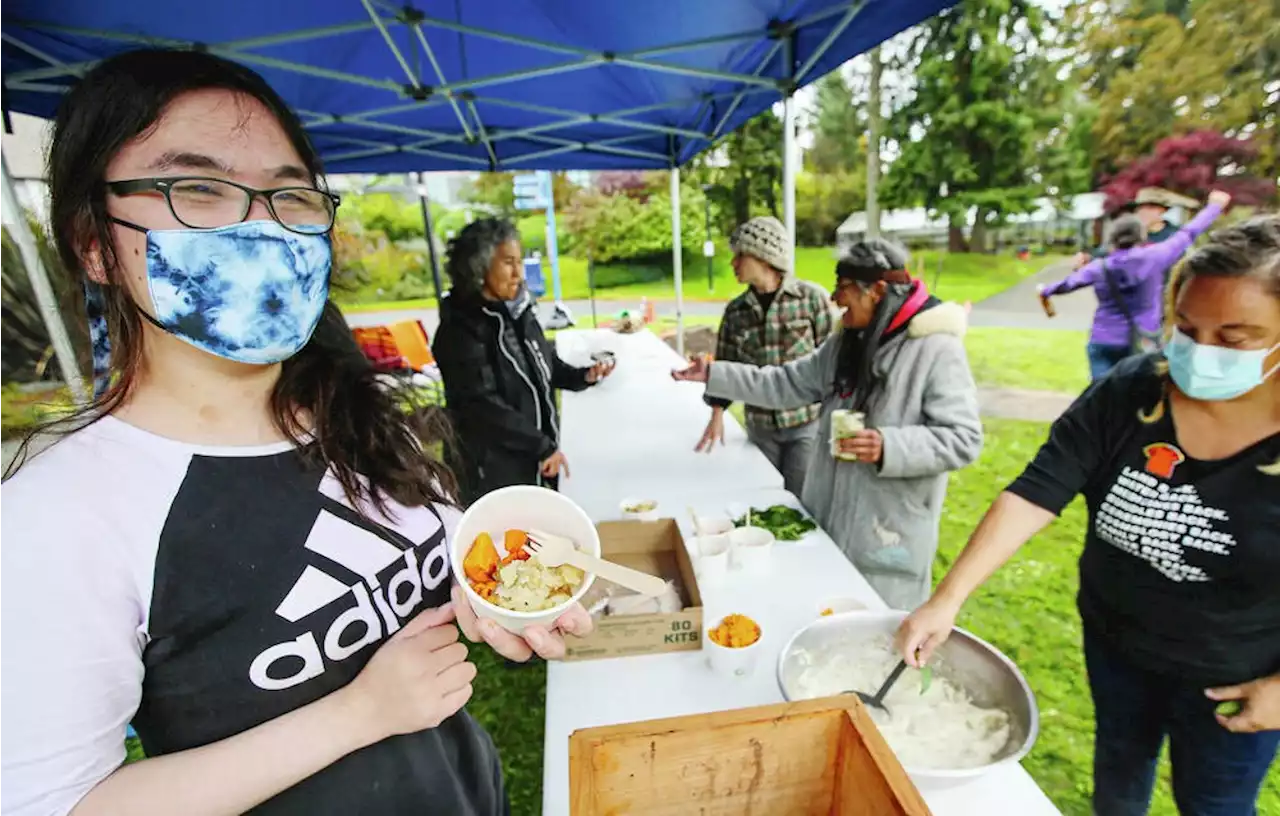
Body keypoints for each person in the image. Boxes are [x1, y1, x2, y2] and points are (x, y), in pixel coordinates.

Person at [0, 49, 590, 816]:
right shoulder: (59, 514)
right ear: (93, 242)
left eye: (289, 196)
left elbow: (414, 581)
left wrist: (483, 598)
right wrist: (359, 714)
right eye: (200, 190)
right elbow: (56, 805)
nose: (260, 227)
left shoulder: (359, 414)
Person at [898, 215, 1280, 816]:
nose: (1202, 352)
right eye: (1186, 328)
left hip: (1230, 676)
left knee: (1215, 805)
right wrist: (947, 598)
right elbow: (1035, 493)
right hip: (1118, 643)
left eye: (1234, 339)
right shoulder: (1132, 391)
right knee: (1119, 776)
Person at [673, 238, 982, 609]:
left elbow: (963, 438)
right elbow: (785, 383)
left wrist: (890, 446)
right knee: (823, 618)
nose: (835, 299)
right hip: (830, 520)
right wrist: (715, 374)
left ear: (878, 291)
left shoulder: (936, 349)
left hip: (886, 535)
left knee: (878, 639)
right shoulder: (847, 343)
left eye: (844, 289)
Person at [431, 218, 614, 505]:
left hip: (532, 459)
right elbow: (481, 406)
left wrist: (584, 376)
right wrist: (541, 446)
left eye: (519, 261)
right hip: (491, 471)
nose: (518, 273)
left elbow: (546, 366)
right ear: (478, 267)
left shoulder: (519, 313)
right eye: (508, 262)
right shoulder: (460, 330)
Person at [697, 216, 834, 495]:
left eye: (740, 256)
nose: (733, 264)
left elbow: (831, 361)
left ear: (763, 257)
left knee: (802, 500)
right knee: (764, 498)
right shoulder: (736, 313)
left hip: (805, 426)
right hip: (760, 428)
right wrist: (717, 414)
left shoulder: (811, 300)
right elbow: (726, 365)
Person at [1040, 190, 1230, 381]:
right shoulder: (1157, 256)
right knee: (1137, 393)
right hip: (1143, 338)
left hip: (1103, 338)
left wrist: (1045, 291)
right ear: (1141, 236)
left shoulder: (1099, 267)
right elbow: (1189, 233)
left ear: (1113, 238)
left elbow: (1067, 284)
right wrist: (1214, 207)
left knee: (1100, 394)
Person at [1073, 187, 1203, 268]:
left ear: (1161, 210)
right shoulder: (1129, 233)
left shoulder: (1176, 235)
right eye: (1140, 208)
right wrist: (1086, 258)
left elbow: (1190, 265)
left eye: (1149, 208)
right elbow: (1104, 253)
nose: (1143, 212)